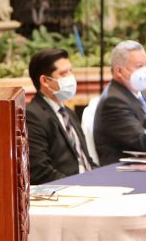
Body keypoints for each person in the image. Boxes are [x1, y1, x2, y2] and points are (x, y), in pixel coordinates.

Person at [25, 48, 94, 184]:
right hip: (66, 189)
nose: (71, 78)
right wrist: (80, 186)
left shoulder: (68, 112)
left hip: (90, 183)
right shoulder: (32, 116)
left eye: (70, 71)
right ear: (45, 81)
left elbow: (86, 159)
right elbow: (40, 170)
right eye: (63, 74)